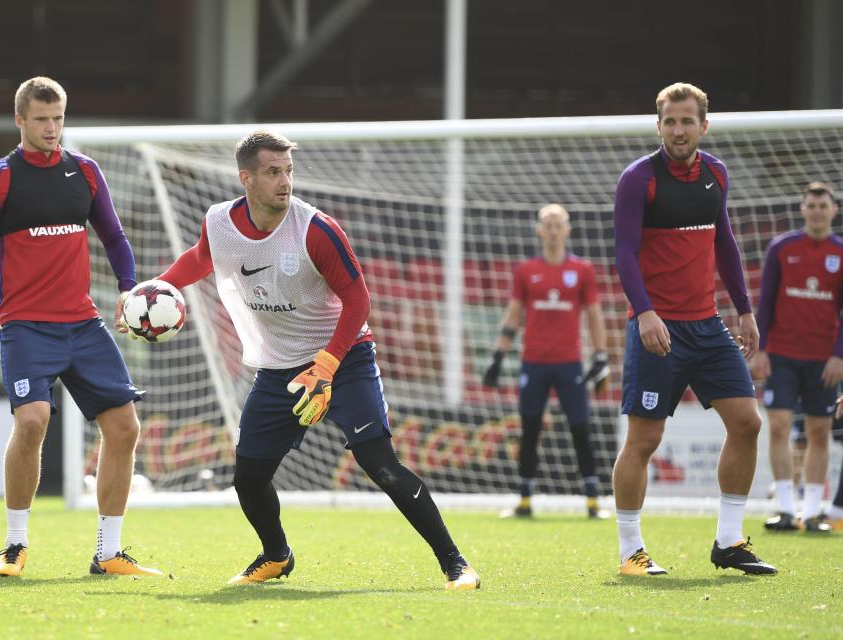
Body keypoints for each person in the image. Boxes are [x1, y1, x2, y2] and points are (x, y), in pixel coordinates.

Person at [136, 130, 480, 590]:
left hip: (344, 360)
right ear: (247, 179)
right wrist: (152, 295)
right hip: (279, 369)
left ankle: (455, 564)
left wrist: (327, 365)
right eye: (273, 172)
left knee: (379, 464)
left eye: (288, 171)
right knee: (248, 477)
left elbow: (358, 302)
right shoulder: (218, 222)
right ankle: (277, 556)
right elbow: (201, 258)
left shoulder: (317, 230)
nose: (285, 181)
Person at [0, 76, 161, 578]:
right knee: (32, 423)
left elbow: (113, 236)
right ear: (20, 120)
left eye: (59, 118)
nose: (52, 128)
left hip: (84, 324)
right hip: (26, 327)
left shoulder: (85, 172)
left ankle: (108, 552)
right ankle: (14, 545)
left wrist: (130, 288)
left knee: (124, 426)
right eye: (42, 119)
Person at [612, 82, 777, 576]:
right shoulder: (639, 179)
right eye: (669, 121)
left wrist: (745, 310)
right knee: (644, 440)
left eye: (687, 121)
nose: (678, 130)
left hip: (707, 325)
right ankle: (630, 551)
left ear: (704, 125)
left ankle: (729, 541)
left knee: (748, 422)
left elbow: (723, 243)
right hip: (657, 329)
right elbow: (623, 252)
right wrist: (644, 312)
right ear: (658, 125)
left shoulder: (716, 174)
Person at [482, 203, 611, 519]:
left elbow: (594, 315)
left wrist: (601, 356)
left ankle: (593, 501)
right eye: (547, 224)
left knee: (580, 428)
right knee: (529, 429)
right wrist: (498, 355)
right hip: (534, 362)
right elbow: (514, 313)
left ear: (567, 230)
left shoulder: (582, 270)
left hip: (570, 363)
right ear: (539, 230)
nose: (553, 230)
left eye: (558, 224)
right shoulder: (526, 271)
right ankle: (525, 500)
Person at [752, 182, 841, 534]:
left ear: (833, 210)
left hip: (825, 361)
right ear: (802, 209)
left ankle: (814, 512)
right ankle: (787, 510)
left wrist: (840, 355)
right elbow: (766, 301)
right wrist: (760, 349)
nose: (817, 210)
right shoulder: (782, 248)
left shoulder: (841, 252)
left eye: (823, 205)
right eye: (811, 205)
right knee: (778, 427)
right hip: (782, 356)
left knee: (819, 432)